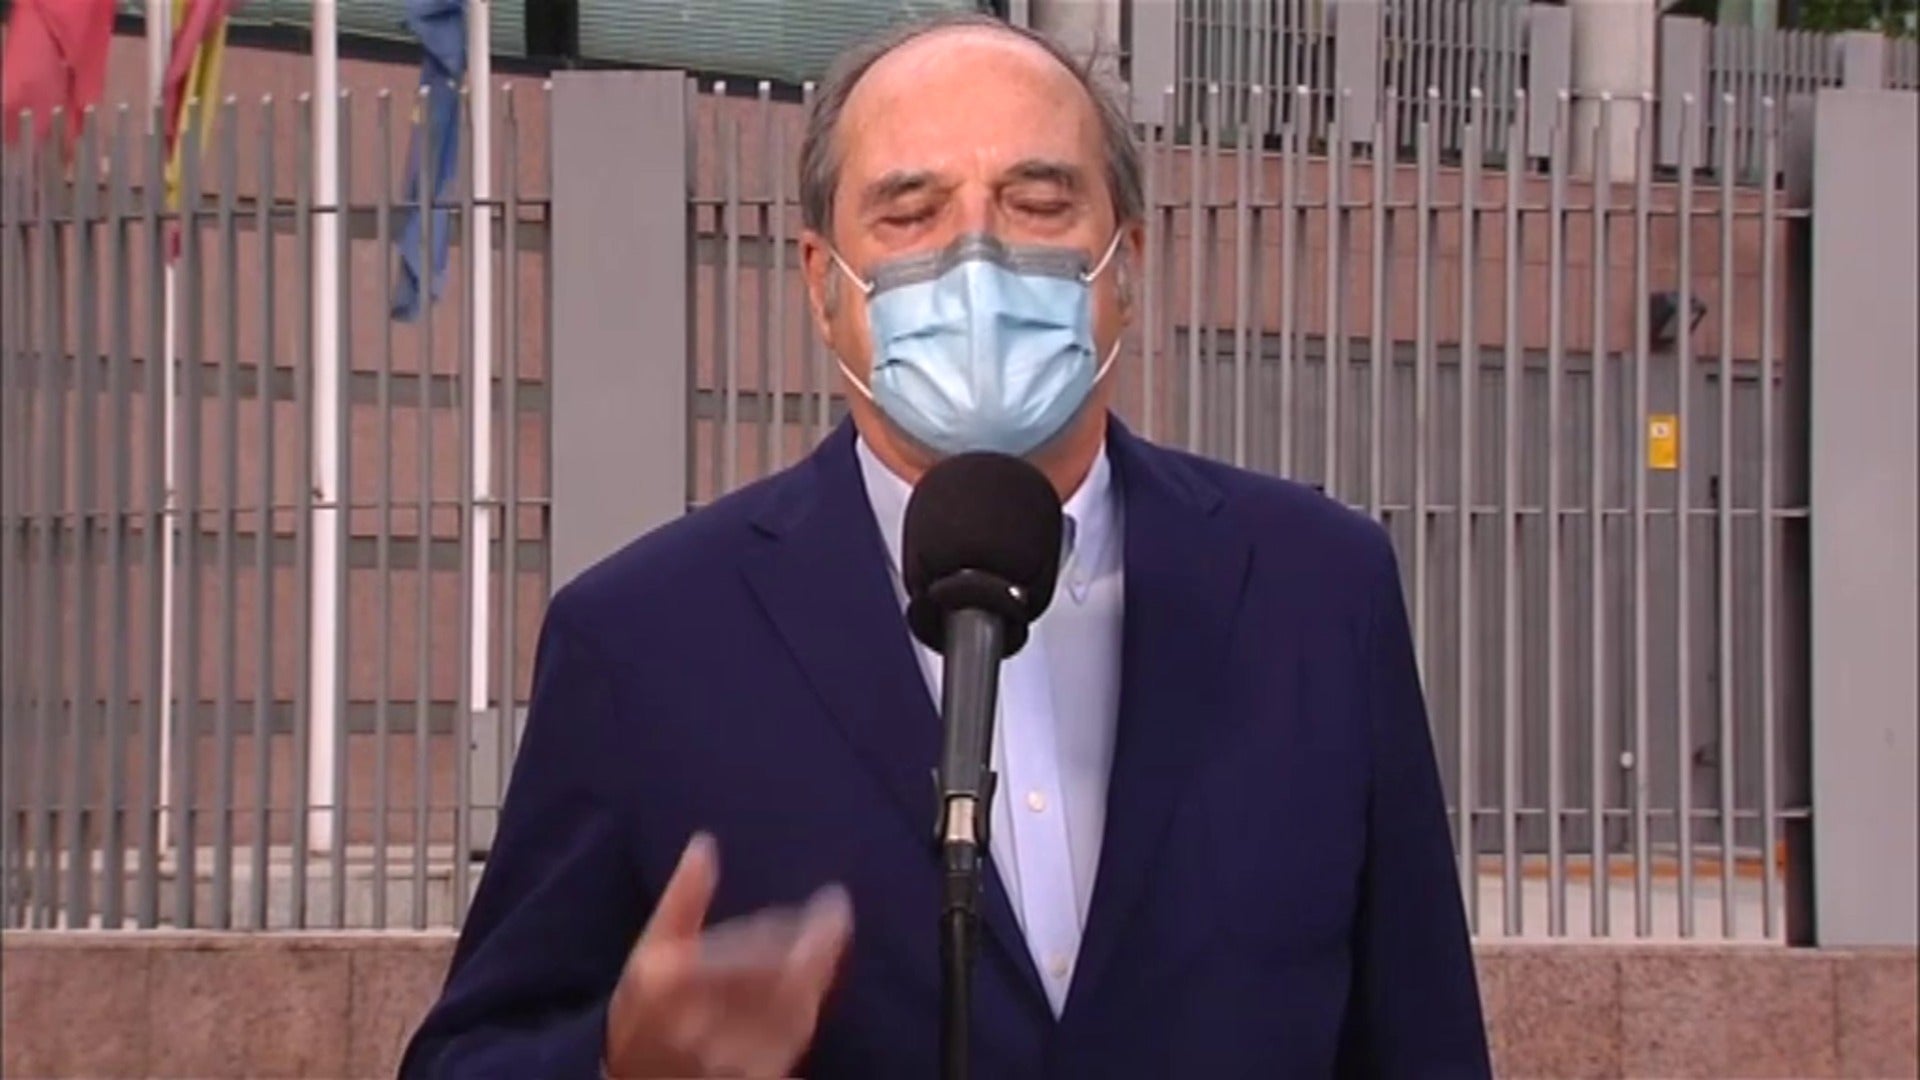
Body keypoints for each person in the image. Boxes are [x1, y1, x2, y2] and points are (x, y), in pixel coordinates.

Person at [399, 13, 1490, 1079]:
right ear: (823, 286)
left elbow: (1422, 1039)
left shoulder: (1318, 591)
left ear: (1126, 264)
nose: (979, 256)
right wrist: (616, 1065)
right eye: (911, 212)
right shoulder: (646, 641)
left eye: (1038, 201)